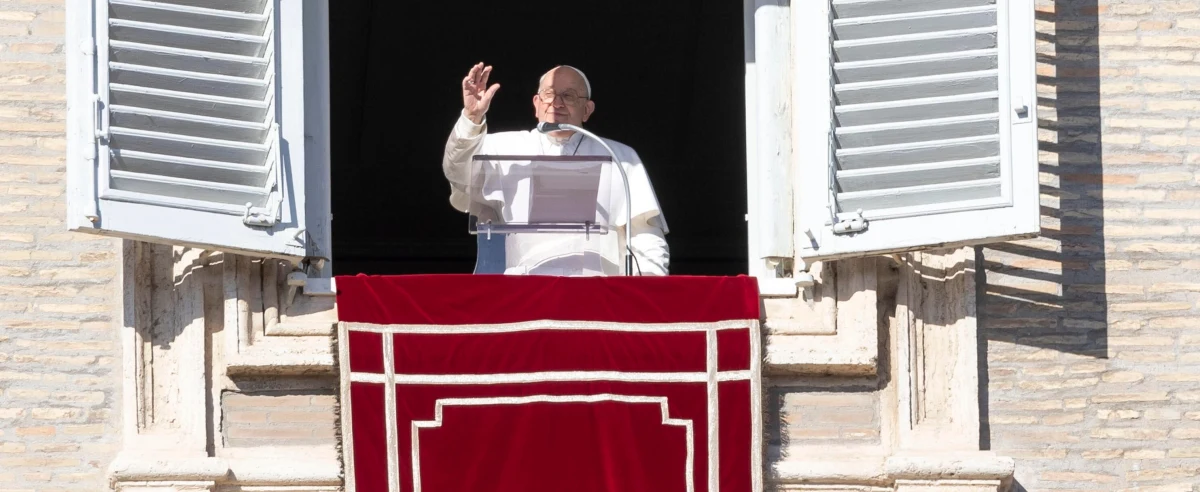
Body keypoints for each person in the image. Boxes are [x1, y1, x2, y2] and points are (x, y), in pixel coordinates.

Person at [443, 62, 670, 276]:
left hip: (597, 292)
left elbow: (644, 233)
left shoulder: (620, 157)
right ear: (536, 103)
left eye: (568, 96)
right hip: (524, 289)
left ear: (587, 109)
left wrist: (650, 286)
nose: (557, 103)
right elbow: (457, 171)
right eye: (549, 95)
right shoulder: (502, 147)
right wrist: (472, 117)